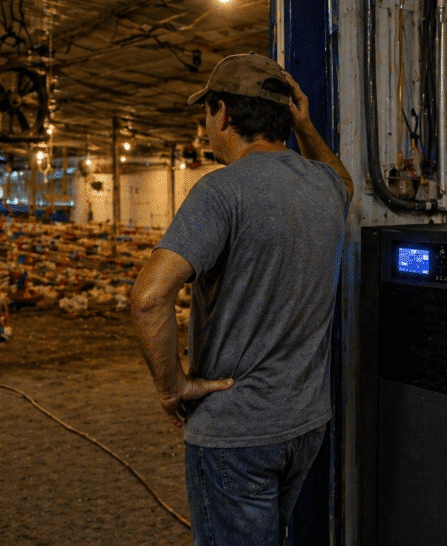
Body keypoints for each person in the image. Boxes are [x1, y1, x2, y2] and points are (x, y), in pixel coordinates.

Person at [131, 53, 353, 545]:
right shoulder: (326, 186)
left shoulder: (221, 191)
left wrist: (173, 387)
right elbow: (345, 180)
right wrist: (307, 126)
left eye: (207, 112)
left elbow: (149, 297)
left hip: (237, 430)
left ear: (224, 113)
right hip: (304, 423)